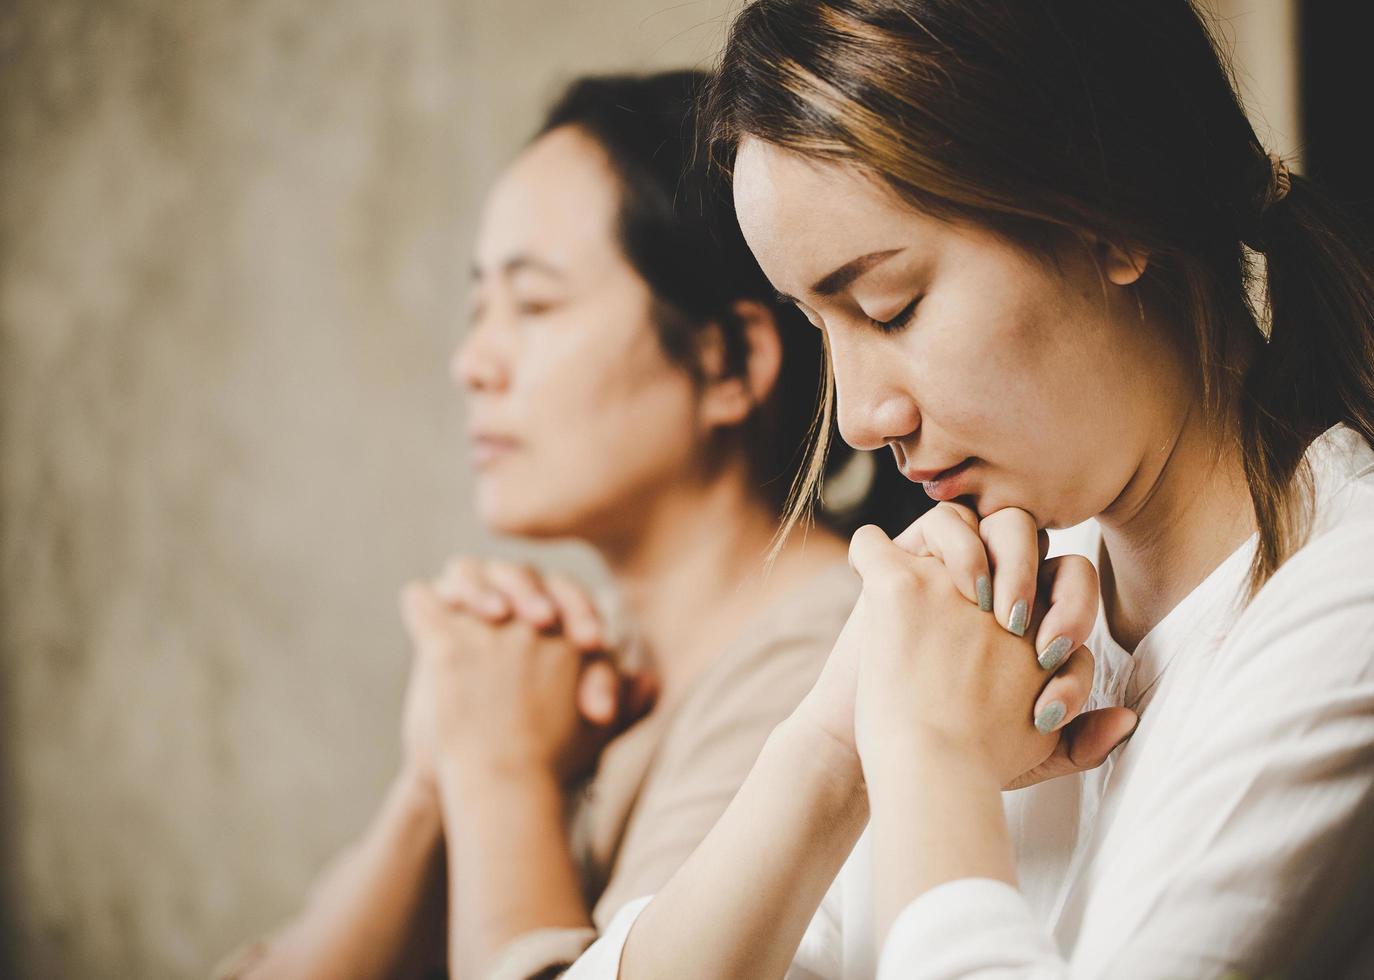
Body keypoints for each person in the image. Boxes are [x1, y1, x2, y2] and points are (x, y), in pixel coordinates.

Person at [559, 2, 1374, 977]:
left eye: (890, 305)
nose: (859, 418)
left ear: (1105, 213)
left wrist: (928, 758)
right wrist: (833, 747)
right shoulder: (999, 641)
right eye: (816, 327)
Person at [213, 70, 923, 980]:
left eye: (535, 305)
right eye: (478, 310)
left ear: (732, 361)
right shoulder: (569, 663)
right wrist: (439, 774)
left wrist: (499, 771)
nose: (474, 362)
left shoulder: (826, 662)